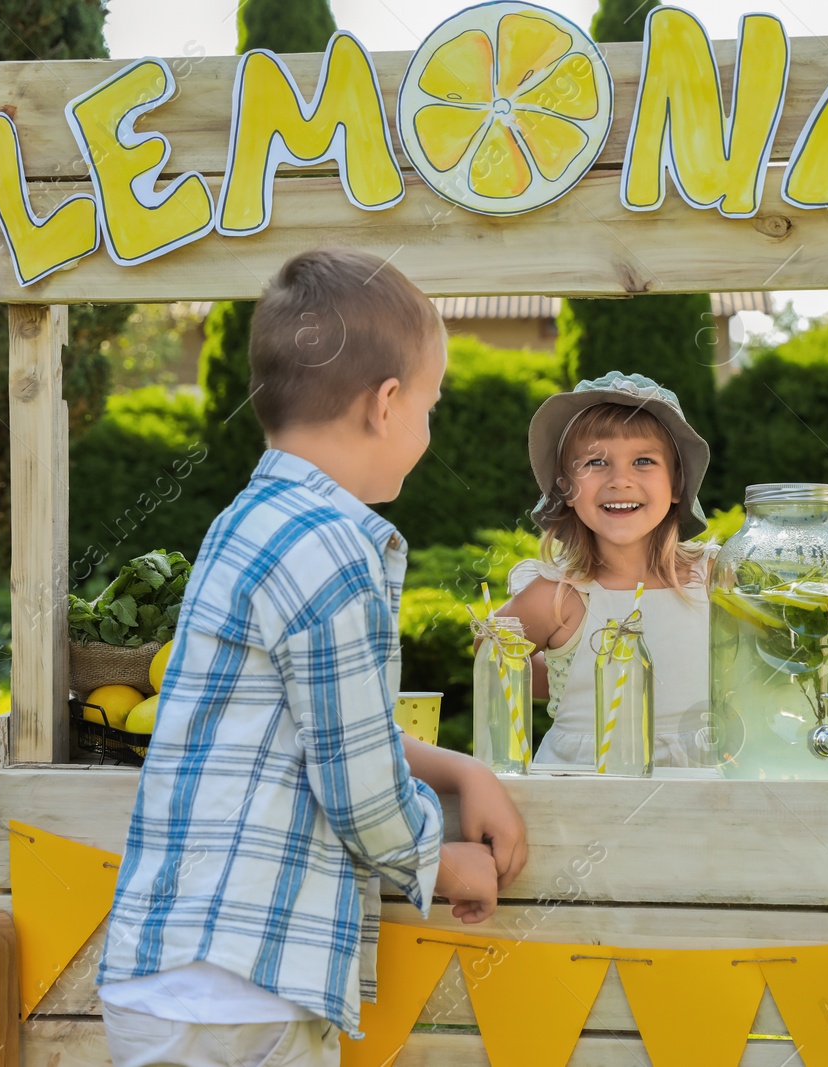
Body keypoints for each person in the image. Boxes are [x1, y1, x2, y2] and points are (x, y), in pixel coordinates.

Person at [96, 249, 528, 1067]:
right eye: (431, 405)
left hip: (171, 971)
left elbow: (319, 729)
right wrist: (440, 861)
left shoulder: (245, 521)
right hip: (247, 986)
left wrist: (457, 769)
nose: (430, 428)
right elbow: (357, 788)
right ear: (388, 403)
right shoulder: (336, 550)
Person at [498, 371, 717, 768]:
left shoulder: (714, 578)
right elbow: (491, 654)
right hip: (581, 783)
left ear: (676, 484)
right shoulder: (558, 595)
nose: (620, 480)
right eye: (596, 462)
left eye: (644, 461)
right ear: (565, 488)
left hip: (702, 780)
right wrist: (567, 675)